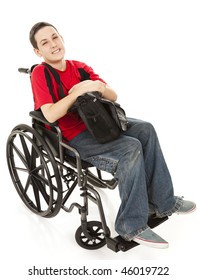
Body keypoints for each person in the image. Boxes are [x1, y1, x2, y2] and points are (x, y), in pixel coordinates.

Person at [29, 22, 196, 249]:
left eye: (55, 37)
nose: (53, 44)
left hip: (100, 124)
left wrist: (95, 85)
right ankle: (131, 226)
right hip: (74, 137)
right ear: (38, 51)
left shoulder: (79, 67)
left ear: (62, 38)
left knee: (145, 129)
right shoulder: (40, 73)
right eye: (45, 42)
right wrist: (77, 93)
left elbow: (113, 95)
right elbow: (49, 115)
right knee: (131, 148)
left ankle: (163, 202)